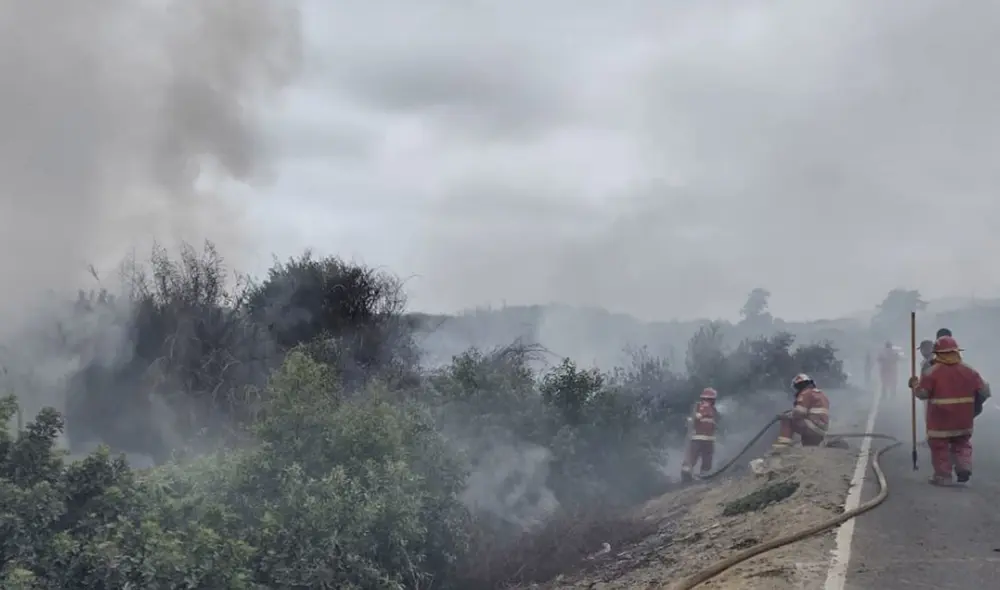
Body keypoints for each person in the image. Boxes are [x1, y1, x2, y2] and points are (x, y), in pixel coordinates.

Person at [908, 335, 991, 485]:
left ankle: (943, 476)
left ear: (938, 353)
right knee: (962, 443)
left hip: (940, 420)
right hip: (964, 419)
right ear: (956, 352)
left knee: (940, 447)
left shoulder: (932, 372)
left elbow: (923, 394)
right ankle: (964, 466)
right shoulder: (969, 370)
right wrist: (974, 407)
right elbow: (985, 391)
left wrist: (914, 385)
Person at [773, 374, 830, 450]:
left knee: (787, 419)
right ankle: (810, 446)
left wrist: (784, 415)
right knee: (808, 445)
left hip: (813, 427)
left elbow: (799, 412)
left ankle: (782, 447)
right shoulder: (820, 394)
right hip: (822, 429)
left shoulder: (805, 393)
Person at [681, 387, 719, 482]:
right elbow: (693, 419)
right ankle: (687, 476)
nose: (708, 402)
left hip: (708, 440)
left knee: (706, 460)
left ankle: (702, 476)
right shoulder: (699, 407)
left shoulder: (713, 410)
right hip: (698, 439)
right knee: (693, 458)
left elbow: (715, 423)